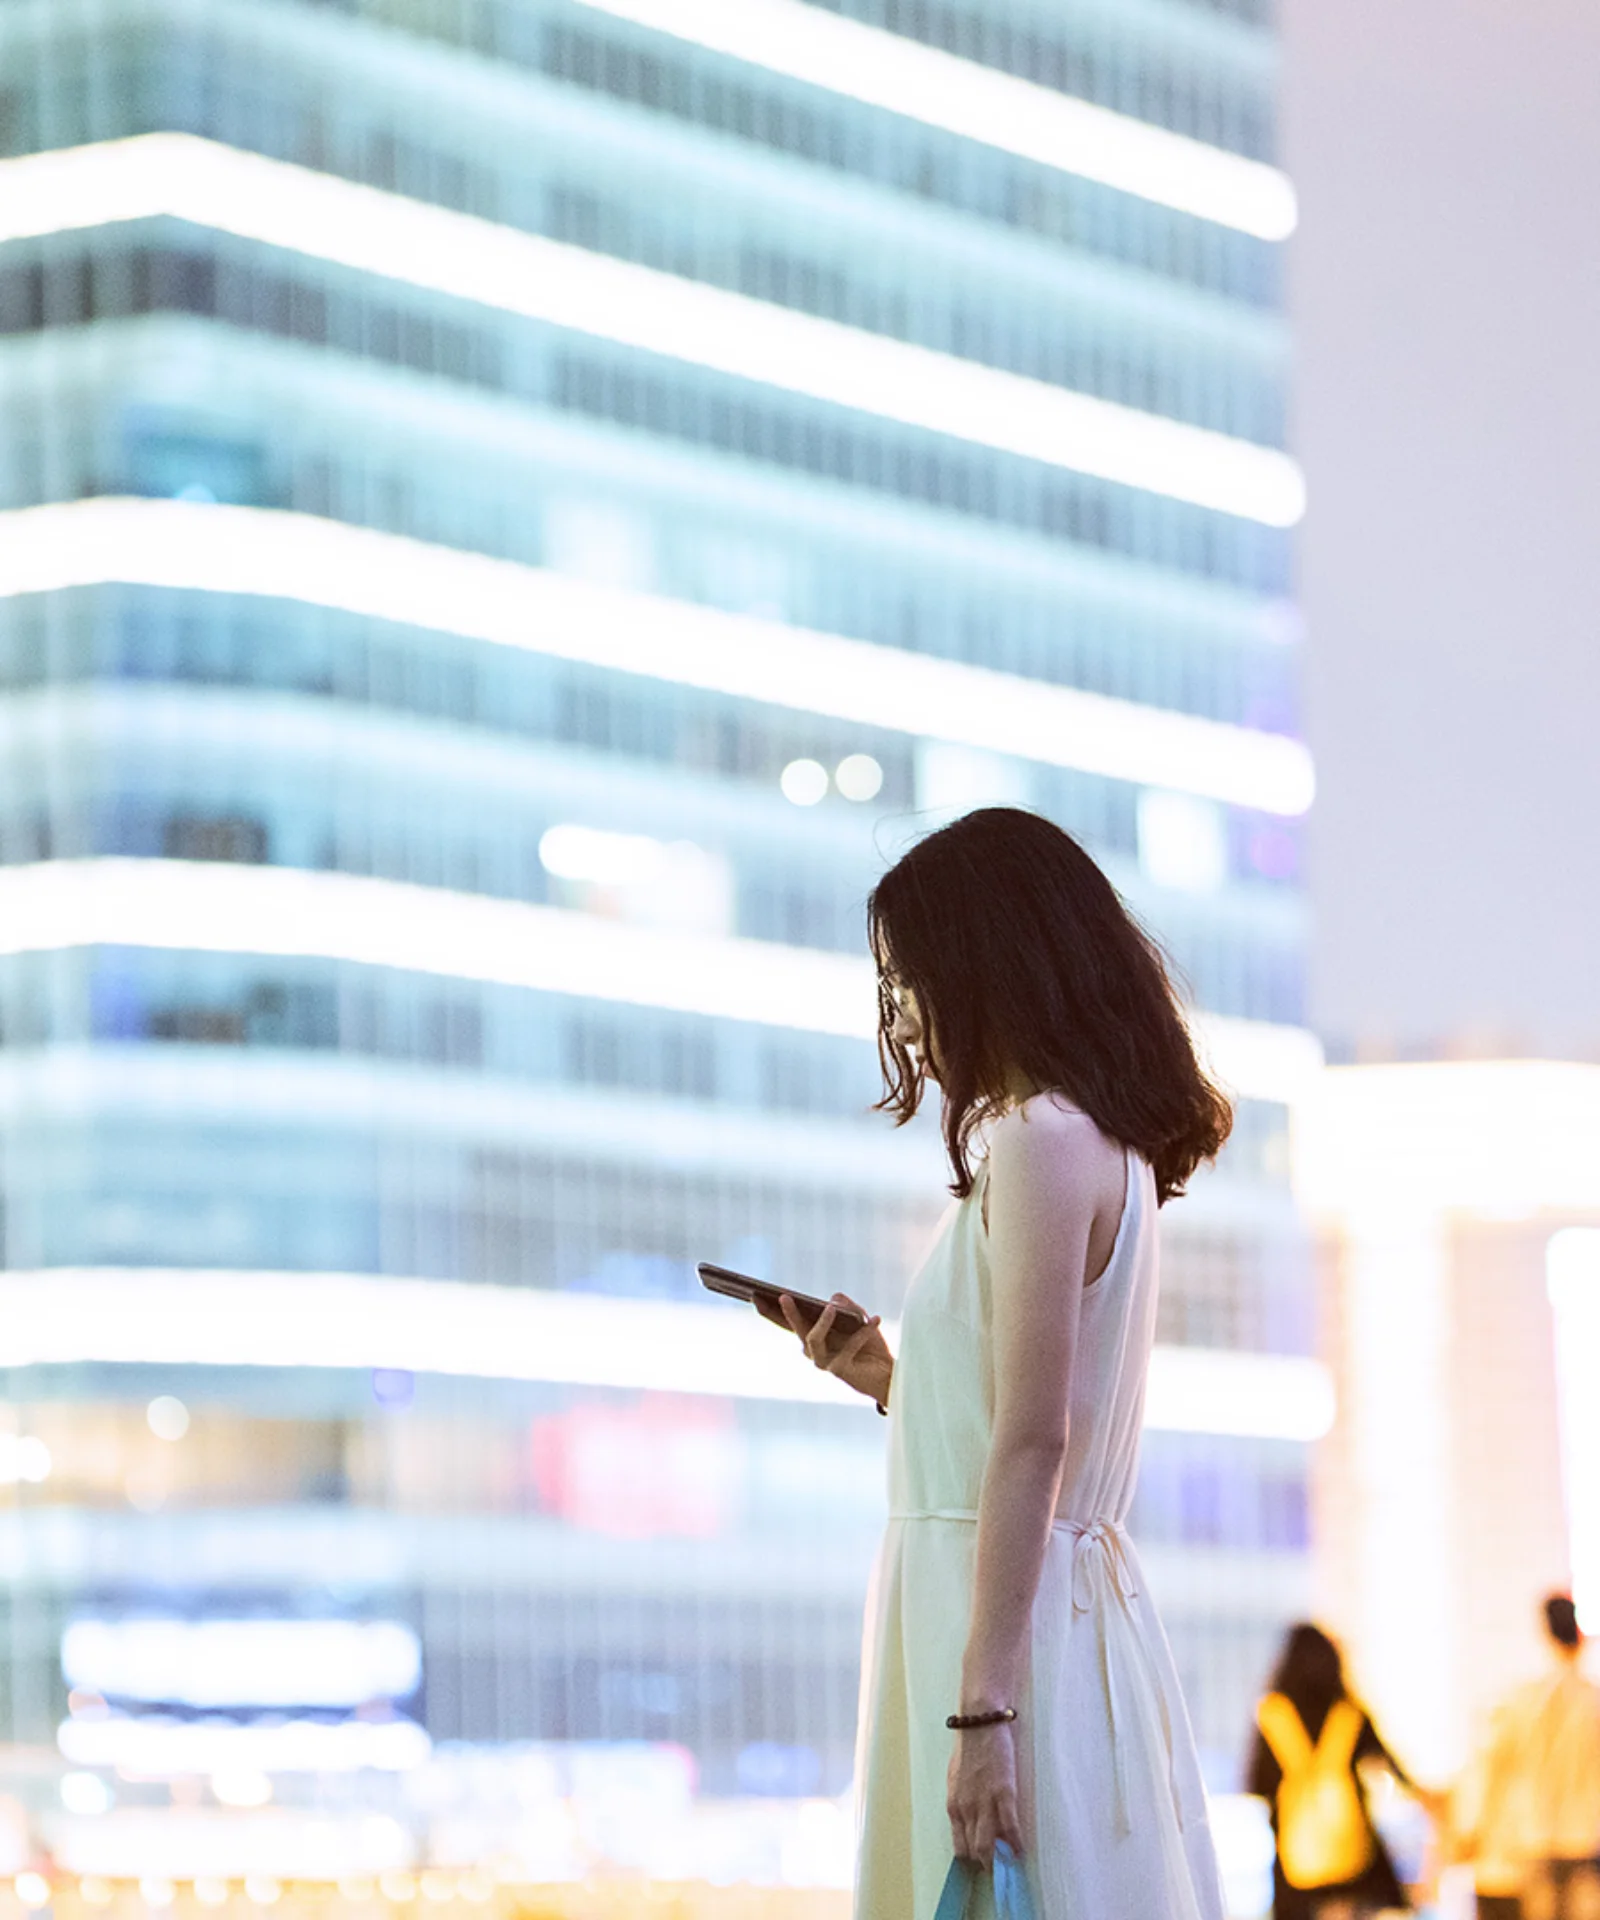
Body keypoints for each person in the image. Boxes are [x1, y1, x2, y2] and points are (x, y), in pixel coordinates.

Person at [775, 807, 1232, 1918]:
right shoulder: (1095, 1142)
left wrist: (982, 1714)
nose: (906, 1015)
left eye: (911, 978)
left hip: (999, 1636)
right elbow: (1024, 1421)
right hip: (1041, 1613)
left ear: (985, 962)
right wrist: (889, 1377)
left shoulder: (1039, 1141)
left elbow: (1034, 1437)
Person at [1247, 1622, 1422, 1920]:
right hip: (1356, 1862)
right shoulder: (1348, 1712)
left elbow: (1256, 1783)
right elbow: (1394, 1769)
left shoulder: (1272, 1714)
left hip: (1295, 1869)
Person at [1452, 1594, 1600, 1920]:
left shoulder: (1522, 1701)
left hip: (1535, 1837)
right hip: (1586, 1836)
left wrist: (1472, 1828)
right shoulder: (1591, 1700)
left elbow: (1492, 1769)